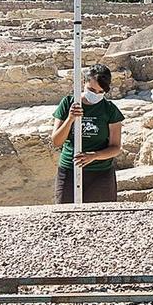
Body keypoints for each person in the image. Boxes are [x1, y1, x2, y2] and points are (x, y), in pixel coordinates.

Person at [49, 64, 124, 204]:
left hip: (100, 173)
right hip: (69, 169)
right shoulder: (68, 103)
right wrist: (70, 119)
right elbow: (56, 142)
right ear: (84, 83)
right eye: (91, 89)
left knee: (102, 215)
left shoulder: (110, 110)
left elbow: (115, 147)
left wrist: (94, 156)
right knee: (65, 214)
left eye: (100, 91)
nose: (95, 94)